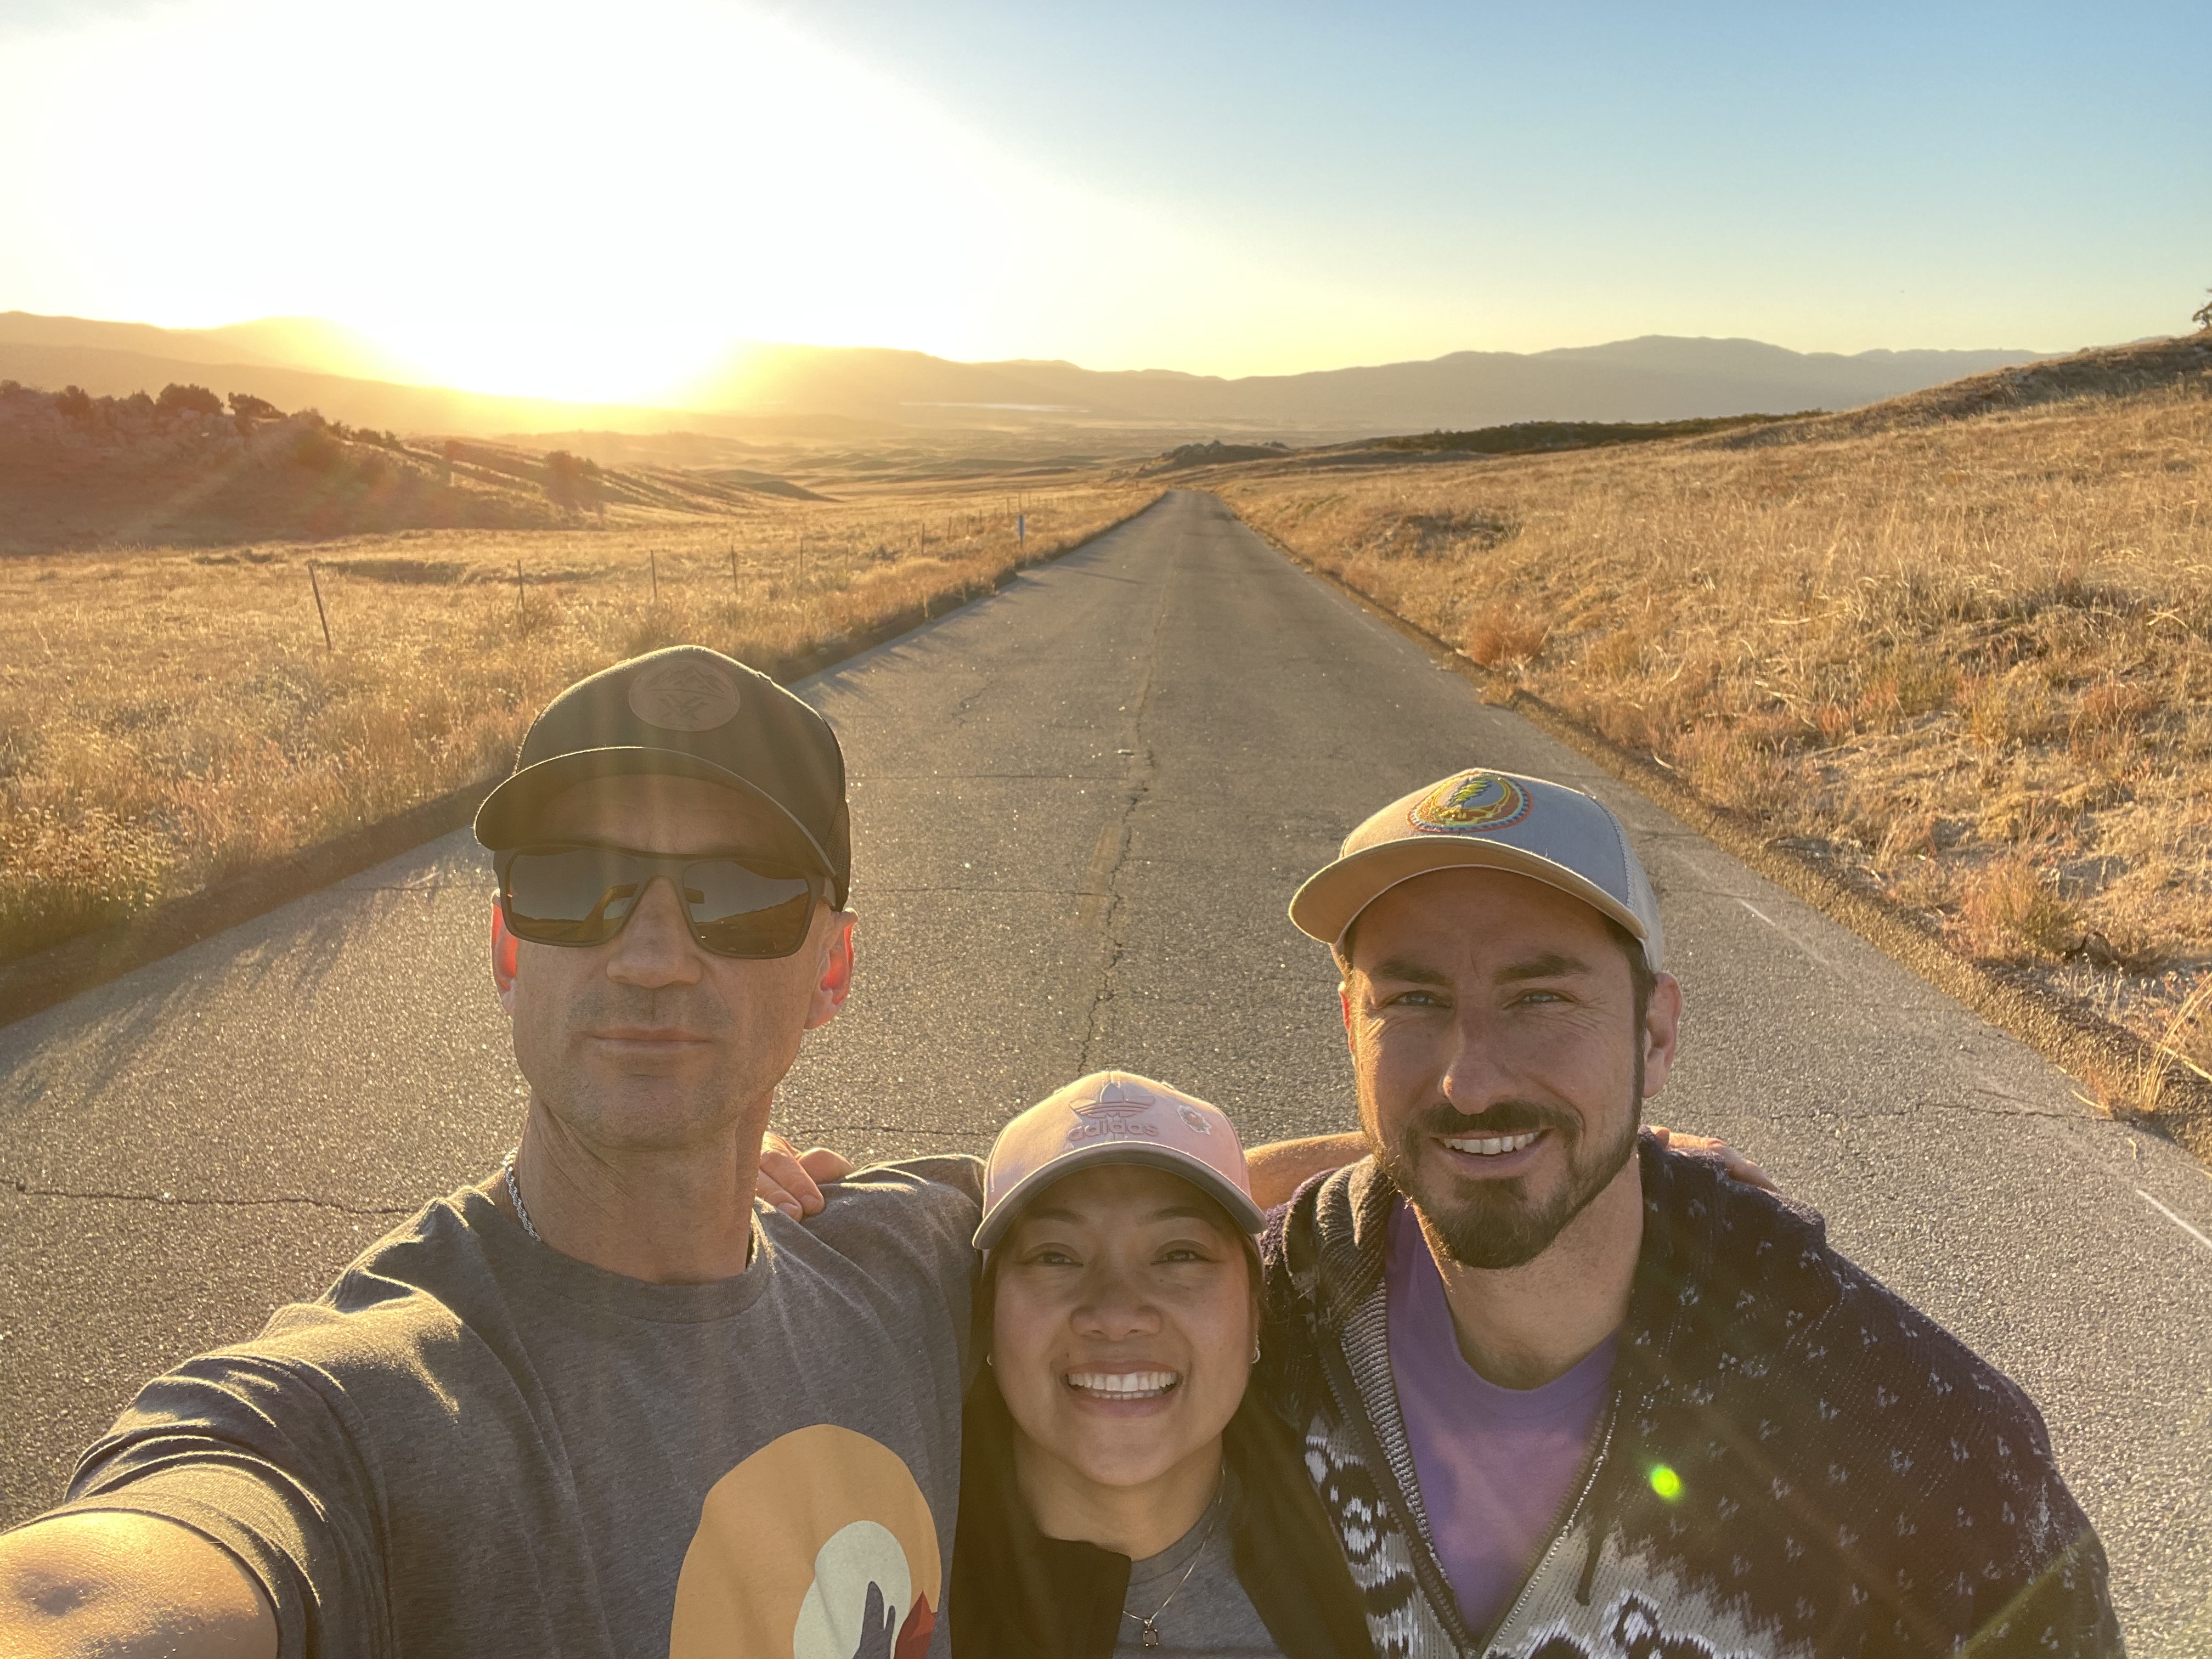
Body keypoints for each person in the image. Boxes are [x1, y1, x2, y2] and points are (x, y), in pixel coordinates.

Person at [0, 646, 1352, 1659]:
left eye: (737, 897)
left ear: (832, 971)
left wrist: (1442, 1140)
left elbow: (1185, 1189)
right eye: (576, 883)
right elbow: (107, 1583)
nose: (652, 954)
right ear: (506, 947)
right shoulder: (368, 1411)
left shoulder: (903, 1258)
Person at [1251, 767, 2121, 1658]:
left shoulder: (1932, 1455)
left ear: (1655, 1035)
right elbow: (1162, 1187)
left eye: (1540, 998)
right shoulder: (1256, 1321)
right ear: (1351, 1029)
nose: (1468, 1082)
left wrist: (1498, 1142)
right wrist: (1505, 1139)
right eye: (1411, 1001)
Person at [951, 1071, 1373, 1659]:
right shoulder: (898, 1566)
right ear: (987, 1318)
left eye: (1180, 1254)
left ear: (1255, 1313)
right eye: (1055, 1256)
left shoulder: (1372, 1527)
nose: (1117, 1314)